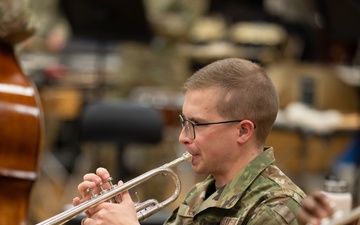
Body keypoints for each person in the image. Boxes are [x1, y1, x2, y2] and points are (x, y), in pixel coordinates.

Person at [73, 58, 306, 225]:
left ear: (243, 131)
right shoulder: (202, 193)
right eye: (184, 122)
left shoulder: (278, 208)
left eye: (197, 124)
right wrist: (107, 216)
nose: (183, 137)